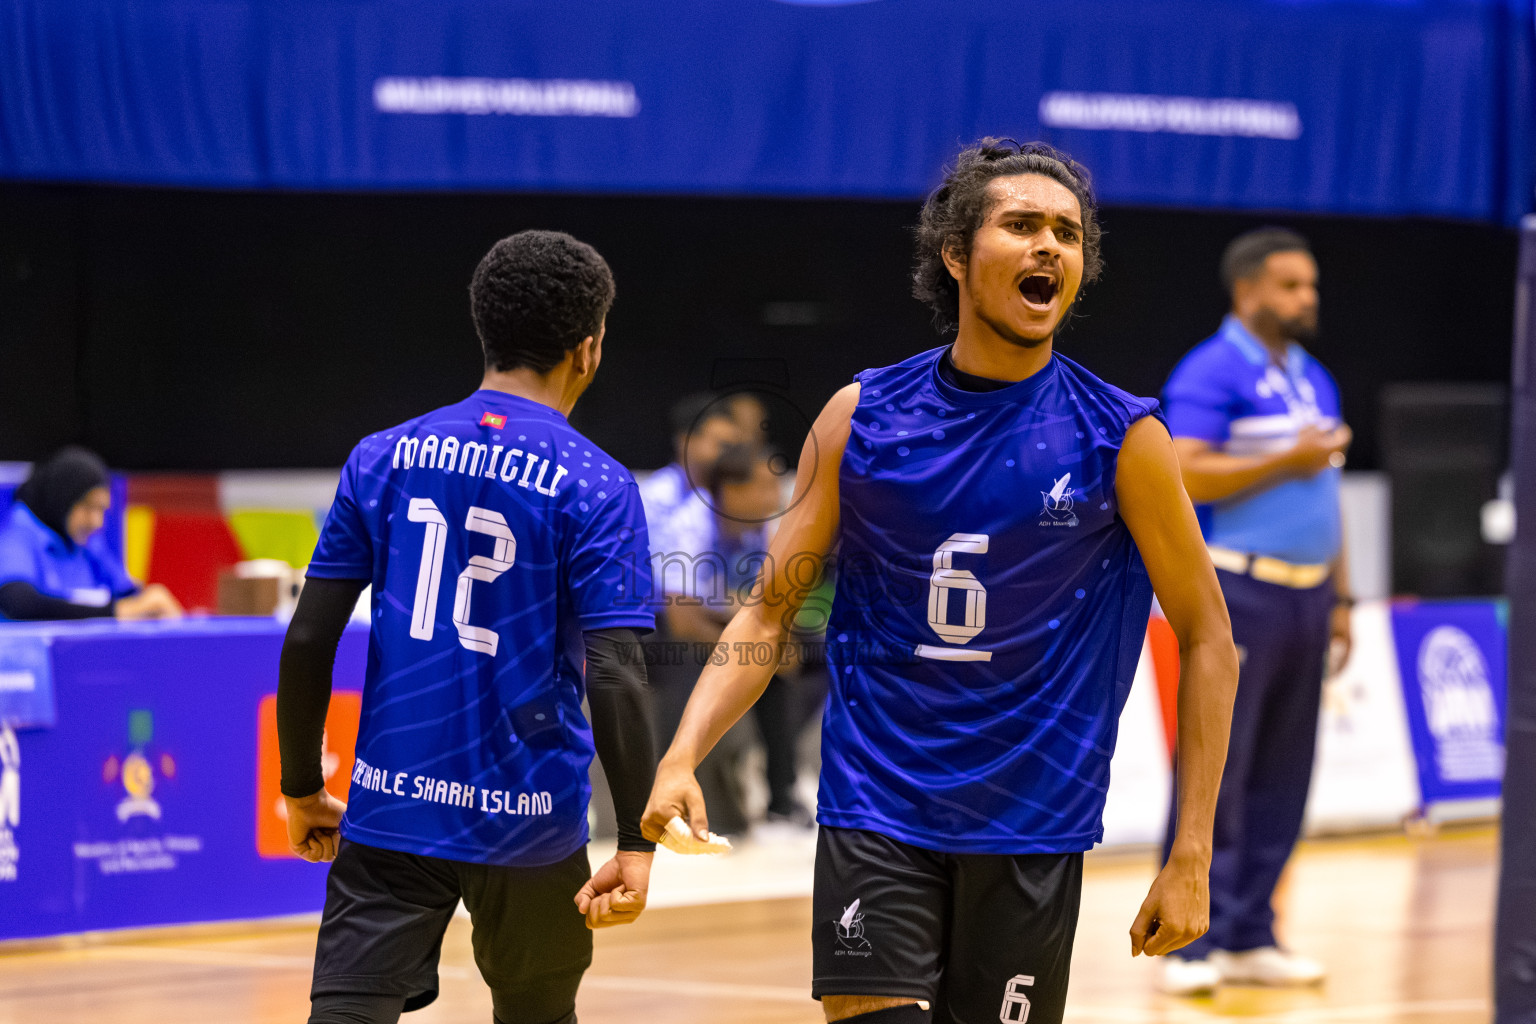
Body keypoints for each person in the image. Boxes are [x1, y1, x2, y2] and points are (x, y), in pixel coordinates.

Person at [642, 139, 1239, 1024]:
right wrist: (682, 755)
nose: (1049, 248)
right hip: (878, 808)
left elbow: (1208, 637)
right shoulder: (861, 415)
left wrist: (1192, 851)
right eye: (1021, 225)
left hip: (1033, 824)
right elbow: (767, 610)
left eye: (1067, 234)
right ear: (956, 254)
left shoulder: (1123, 438)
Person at [276, 230, 660, 1024]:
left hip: (390, 805)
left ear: (485, 331)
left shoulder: (381, 456)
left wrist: (301, 788)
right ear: (587, 350)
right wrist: (635, 839)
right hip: (531, 821)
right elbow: (616, 673)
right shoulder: (598, 484)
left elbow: (310, 637)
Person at [1154, 227, 1353, 995]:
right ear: (1249, 292)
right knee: (1219, 771)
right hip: (1240, 592)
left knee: (1284, 771)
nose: (1307, 298)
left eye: (1310, 285)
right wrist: (1284, 460)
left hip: (1309, 595)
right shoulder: (1211, 368)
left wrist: (1343, 596)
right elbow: (1184, 470)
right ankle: (1185, 944)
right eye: (1291, 286)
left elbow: (1326, 491)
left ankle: (1251, 934)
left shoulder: (1313, 377)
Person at [0, 447, 181, 621]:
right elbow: (18, 603)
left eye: (101, 509)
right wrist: (115, 613)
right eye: (87, 507)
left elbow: (129, 594)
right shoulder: (17, 535)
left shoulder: (89, 543)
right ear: (61, 498)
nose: (97, 522)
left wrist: (151, 604)